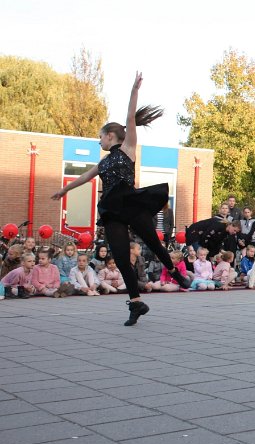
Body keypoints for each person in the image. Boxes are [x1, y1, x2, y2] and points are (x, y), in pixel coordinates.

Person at [51, 73, 188, 325]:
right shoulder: (103, 162)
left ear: (110, 136)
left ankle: (174, 272)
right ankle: (136, 304)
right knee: (121, 256)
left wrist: (134, 91)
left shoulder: (128, 149)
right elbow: (85, 177)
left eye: (100, 136)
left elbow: (129, 117)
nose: (99, 140)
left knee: (153, 242)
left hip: (131, 204)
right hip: (113, 211)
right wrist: (65, 190)